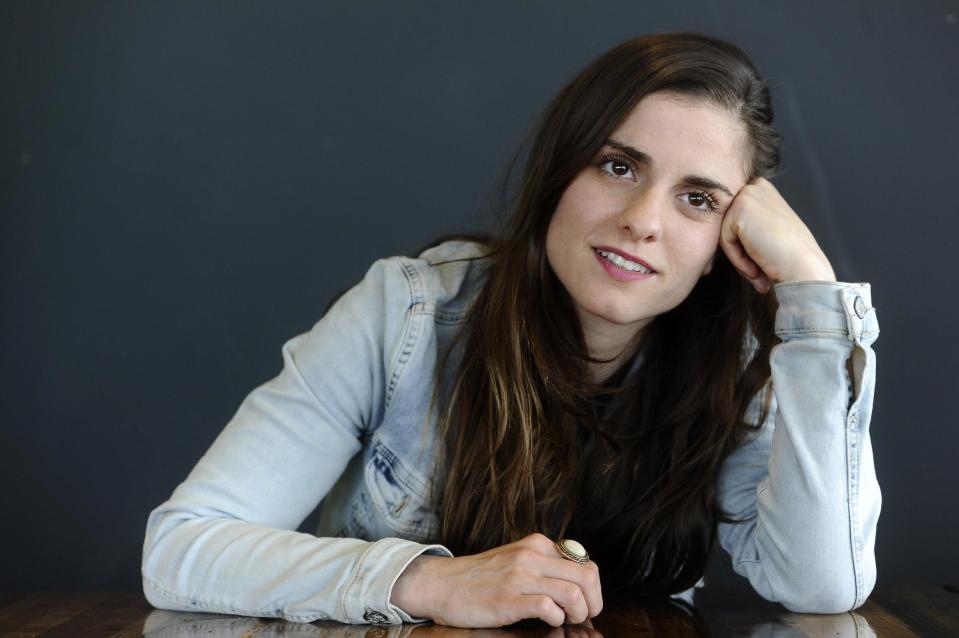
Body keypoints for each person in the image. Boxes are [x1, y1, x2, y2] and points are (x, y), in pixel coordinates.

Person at [141, 32, 880, 628]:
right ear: (561, 170)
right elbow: (181, 549)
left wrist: (811, 298)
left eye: (697, 198)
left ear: (730, 237)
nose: (642, 221)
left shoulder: (740, 366)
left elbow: (821, 586)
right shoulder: (403, 314)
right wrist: (427, 582)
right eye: (618, 166)